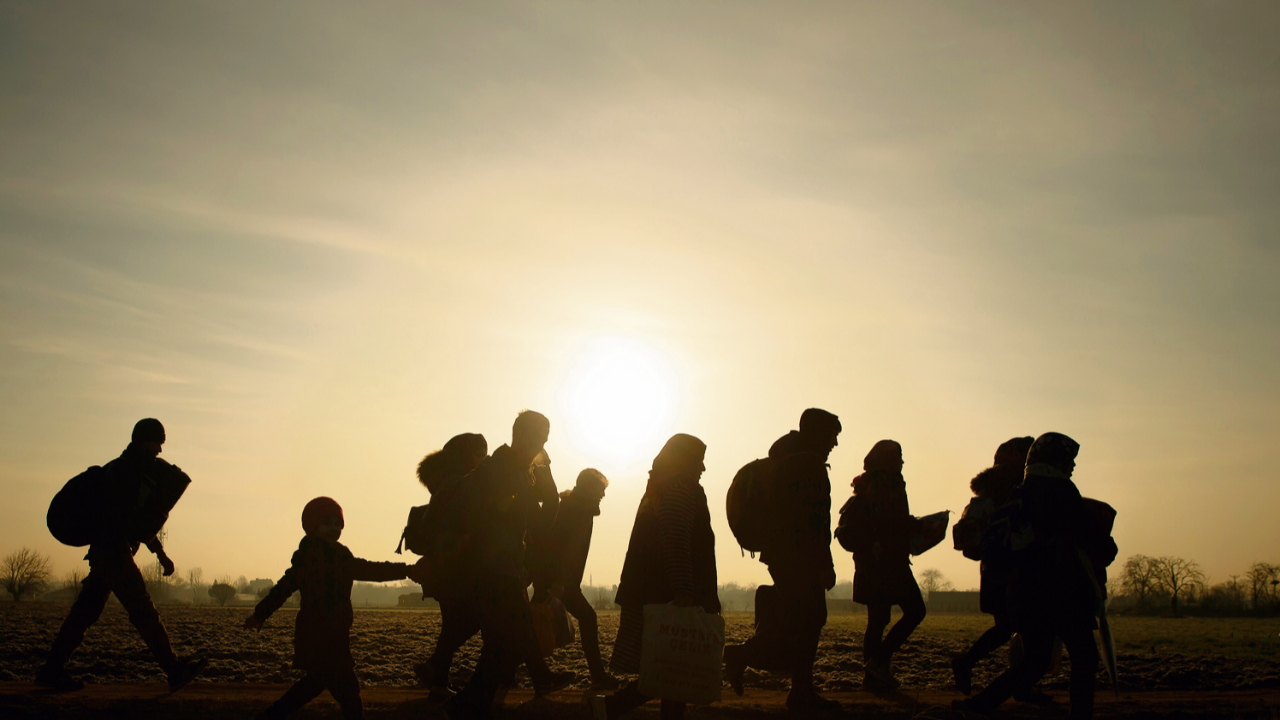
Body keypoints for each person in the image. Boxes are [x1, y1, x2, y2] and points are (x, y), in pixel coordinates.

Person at [36, 419, 207, 693]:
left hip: (106, 552)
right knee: (142, 609)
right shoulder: (127, 473)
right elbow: (129, 521)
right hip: (113, 553)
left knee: (84, 613)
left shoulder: (125, 470)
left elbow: (135, 522)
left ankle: (51, 670)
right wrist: (153, 552)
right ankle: (174, 670)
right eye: (157, 443)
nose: (160, 450)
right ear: (145, 441)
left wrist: (160, 554)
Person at [954, 433, 1116, 720]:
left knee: (1034, 662)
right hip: (1062, 593)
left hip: (1025, 594)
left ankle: (976, 707)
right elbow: (1093, 539)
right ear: (1057, 461)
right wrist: (1107, 548)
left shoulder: (1021, 491)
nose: (1072, 466)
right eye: (1069, 460)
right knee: (1085, 658)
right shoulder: (1061, 491)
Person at [445, 411, 573, 720]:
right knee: (511, 642)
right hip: (492, 569)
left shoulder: (518, 471)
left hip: (505, 567)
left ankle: (467, 707)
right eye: (536, 438)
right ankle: (465, 706)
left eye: (544, 440)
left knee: (505, 643)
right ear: (519, 435)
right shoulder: (499, 470)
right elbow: (471, 515)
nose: (540, 446)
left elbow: (531, 521)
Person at [246, 497, 418, 720]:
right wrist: (260, 614)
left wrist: (407, 570)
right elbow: (283, 589)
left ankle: (269, 716)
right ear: (313, 527)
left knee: (318, 684)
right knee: (344, 689)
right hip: (318, 634)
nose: (334, 529)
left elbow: (369, 570)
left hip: (332, 633)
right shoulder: (313, 559)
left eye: (338, 524)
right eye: (327, 523)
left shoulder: (335, 557)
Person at [594, 434, 719, 720]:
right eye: (698, 460)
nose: (702, 468)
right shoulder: (680, 487)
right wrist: (685, 590)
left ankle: (609, 708)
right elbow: (674, 538)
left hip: (651, 590)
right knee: (673, 668)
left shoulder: (659, 489)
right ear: (685, 460)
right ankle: (609, 708)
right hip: (668, 594)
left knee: (668, 669)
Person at [724, 408, 842, 711]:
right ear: (818, 434)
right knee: (810, 618)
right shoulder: (807, 465)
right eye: (832, 435)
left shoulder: (789, 461)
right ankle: (754, 663)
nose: (835, 443)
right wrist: (824, 565)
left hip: (782, 554)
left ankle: (797, 687)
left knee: (800, 619)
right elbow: (814, 522)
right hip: (798, 557)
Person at [950, 436, 1035, 695]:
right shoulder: (1013, 493)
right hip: (1011, 571)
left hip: (994, 570)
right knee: (1022, 627)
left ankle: (970, 664)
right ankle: (1018, 683)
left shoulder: (988, 496)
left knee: (1009, 627)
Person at [410, 433, 488, 700]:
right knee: (472, 618)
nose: (483, 460)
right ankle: (435, 672)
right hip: (451, 565)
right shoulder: (457, 482)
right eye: (478, 454)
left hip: (444, 564)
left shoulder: (447, 481)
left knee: (452, 625)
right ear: (464, 455)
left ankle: (437, 681)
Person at [846, 439, 925, 691]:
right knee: (916, 611)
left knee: (877, 621)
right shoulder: (889, 484)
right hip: (890, 563)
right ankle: (878, 662)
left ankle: (872, 678)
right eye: (898, 456)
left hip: (870, 563)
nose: (902, 461)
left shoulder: (868, 484)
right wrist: (915, 525)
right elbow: (890, 522)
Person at [529, 468, 618, 690]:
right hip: (559, 581)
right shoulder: (577, 509)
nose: (603, 495)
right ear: (589, 488)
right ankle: (598, 676)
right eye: (600, 489)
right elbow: (563, 548)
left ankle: (521, 675)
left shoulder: (577, 506)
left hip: (557, 580)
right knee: (585, 618)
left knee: (531, 624)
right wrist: (559, 581)